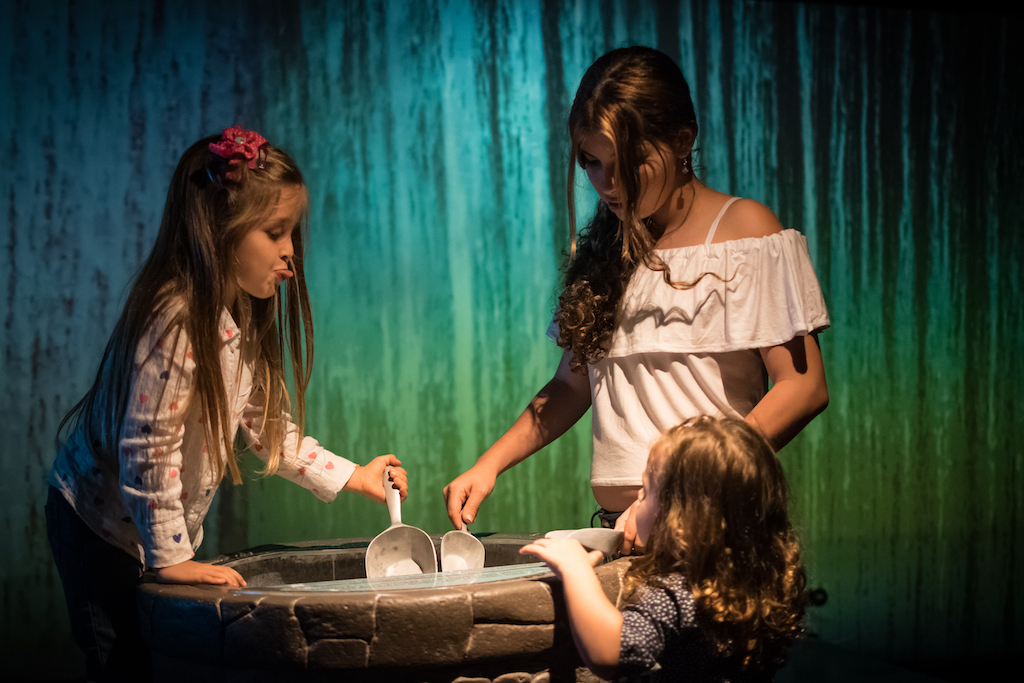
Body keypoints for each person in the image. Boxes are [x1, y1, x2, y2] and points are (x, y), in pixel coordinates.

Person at [45, 126, 408, 681]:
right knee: (120, 662)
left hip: (140, 531)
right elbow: (148, 446)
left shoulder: (235, 319)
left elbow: (269, 432)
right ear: (221, 231)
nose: (290, 251)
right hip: (98, 526)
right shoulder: (174, 319)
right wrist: (173, 560)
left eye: (291, 233)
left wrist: (354, 475)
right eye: (274, 232)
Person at [444, 46, 829, 551]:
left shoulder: (744, 231)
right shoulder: (607, 248)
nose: (608, 183)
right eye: (591, 163)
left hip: (711, 529)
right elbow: (571, 384)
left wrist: (699, 482)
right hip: (621, 532)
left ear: (682, 141)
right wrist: (490, 463)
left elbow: (803, 387)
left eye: (628, 163)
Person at [521, 416, 806, 681]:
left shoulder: (676, 595)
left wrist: (576, 571)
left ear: (680, 517)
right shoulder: (756, 579)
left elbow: (611, 653)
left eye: (645, 491)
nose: (637, 500)